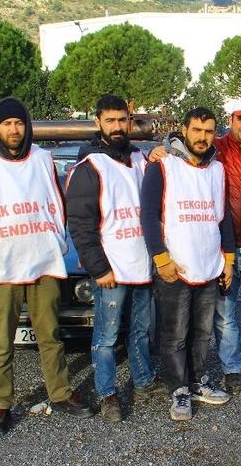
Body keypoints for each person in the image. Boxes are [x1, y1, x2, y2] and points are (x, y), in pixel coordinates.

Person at [0, 97, 93, 436]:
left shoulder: (43, 160)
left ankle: (59, 393)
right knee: (0, 341)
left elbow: (59, 201)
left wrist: (59, 236)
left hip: (42, 262)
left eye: (19, 123)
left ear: (27, 126)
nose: (14, 130)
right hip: (2, 267)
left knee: (51, 336)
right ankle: (0, 404)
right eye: (6, 124)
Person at [149, 98, 241, 399]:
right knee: (224, 316)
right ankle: (233, 370)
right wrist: (161, 146)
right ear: (232, 120)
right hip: (221, 252)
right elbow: (181, 147)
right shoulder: (217, 150)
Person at [65, 95, 167, 423]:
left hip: (142, 264)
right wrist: (98, 267)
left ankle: (143, 380)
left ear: (130, 121)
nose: (117, 126)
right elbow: (80, 225)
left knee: (140, 330)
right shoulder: (90, 167)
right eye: (110, 121)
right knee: (106, 337)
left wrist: (162, 154)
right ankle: (107, 392)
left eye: (122, 120)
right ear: (98, 123)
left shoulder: (140, 159)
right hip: (112, 269)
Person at [140, 107, 235, 421]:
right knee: (175, 335)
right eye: (197, 130)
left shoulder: (217, 169)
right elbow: (149, 216)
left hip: (208, 266)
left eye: (209, 131)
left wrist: (229, 259)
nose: (203, 137)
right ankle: (178, 390)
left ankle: (197, 381)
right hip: (176, 268)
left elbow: (224, 219)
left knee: (202, 332)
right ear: (184, 129)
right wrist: (161, 258)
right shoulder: (163, 166)